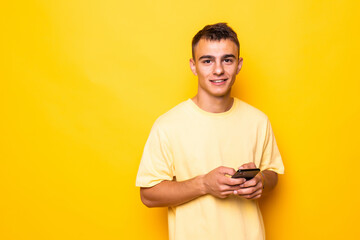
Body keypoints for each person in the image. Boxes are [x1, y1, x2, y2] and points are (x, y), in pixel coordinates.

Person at [136, 23, 284, 240]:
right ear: (193, 66)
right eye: (207, 61)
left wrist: (261, 180)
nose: (218, 70)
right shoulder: (168, 125)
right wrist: (204, 184)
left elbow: (273, 173)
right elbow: (148, 195)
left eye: (227, 59)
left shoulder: (258, 120)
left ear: (239, 64)